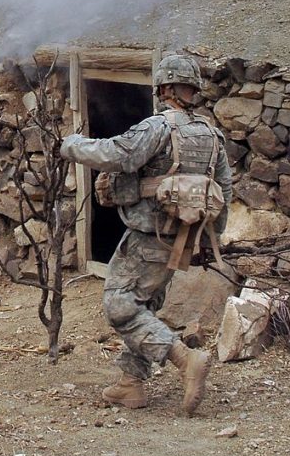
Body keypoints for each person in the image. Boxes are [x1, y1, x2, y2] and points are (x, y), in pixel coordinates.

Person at [60, 53, 232, 416]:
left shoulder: (159, 127)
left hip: (148, 235)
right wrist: (206, 242)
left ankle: (184, 359)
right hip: (182, 237)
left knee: (119, 304)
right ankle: (130, 383)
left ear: (164, 87)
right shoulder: (212, 136)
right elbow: (225, 194)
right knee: (146, 304)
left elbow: (117, 154)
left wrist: (71, 145)